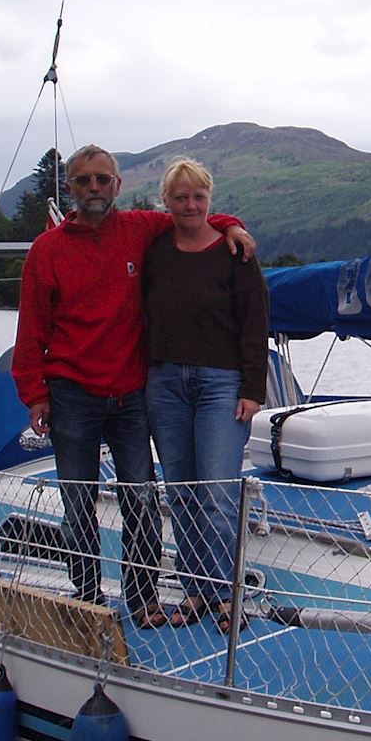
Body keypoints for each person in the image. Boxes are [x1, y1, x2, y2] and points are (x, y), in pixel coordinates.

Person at [12, 145, 254, 619]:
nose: (95, 188)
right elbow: (31, 327)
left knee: (140, 500)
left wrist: (231, 225)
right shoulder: (47, 250)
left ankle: (142, 598)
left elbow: (193, 215)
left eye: (104, 179)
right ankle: (87, 597)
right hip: (72, 395)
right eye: (85, 181)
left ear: (118, 186)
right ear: (70, 188)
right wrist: (34, 393)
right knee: (78, 502)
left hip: (130, 395)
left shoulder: (141, 229)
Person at [142, 157, 269, 635]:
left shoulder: (236, 253)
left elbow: (256, 322)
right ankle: (196, 588)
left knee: (216, 492)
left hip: (222, 385)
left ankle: (226, 593)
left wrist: (252, 389)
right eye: (181, 197)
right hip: (166, 384)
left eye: (198, 196)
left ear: (209, 199)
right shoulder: (156, 251)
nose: (190, 205)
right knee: (183, 493)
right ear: (167, 202)